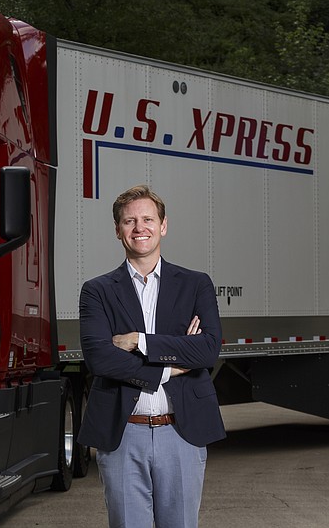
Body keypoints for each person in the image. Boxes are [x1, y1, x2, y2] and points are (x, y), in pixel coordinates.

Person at [78, 184, 225, 528]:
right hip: (123, 434)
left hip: (181, 434)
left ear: (163, 225)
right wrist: (170, 366)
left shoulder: (195, 284)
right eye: (129, 221)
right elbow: (100, 359)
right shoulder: (97, 291)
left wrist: (138, 340)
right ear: (118, 230)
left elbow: (207, 350)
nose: (139, 227)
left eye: (147, 219)